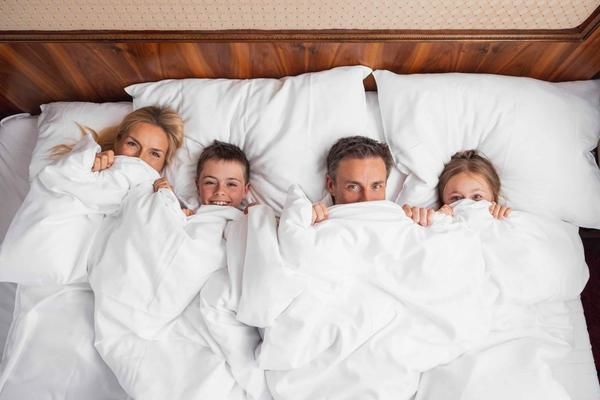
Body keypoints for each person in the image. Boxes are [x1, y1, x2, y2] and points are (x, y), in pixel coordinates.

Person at [52, 105, 185, 173]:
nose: (139, 159)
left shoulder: (167, 202)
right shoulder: (85, 165)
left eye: (155, 154)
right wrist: (85, 167)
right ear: (118, 141)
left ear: (164, 163)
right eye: (132, 144)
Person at [403, 150, 511, 226]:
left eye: (477, 197)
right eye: (457, 198)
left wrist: (506, 217)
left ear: (494, 198)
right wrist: (408, 218)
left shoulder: (508, 221)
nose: (467, 204)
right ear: (443, 202)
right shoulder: (432, 222)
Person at [153, 140, 251, 214]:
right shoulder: (188, 215)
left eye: (231, 184)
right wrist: (168, 198)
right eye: (210, 182)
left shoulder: (247, 218)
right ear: (198, 186)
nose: (220, 191)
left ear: (245, 190)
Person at [312, 135, 393, 224]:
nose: (366, 200)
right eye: (353, 187)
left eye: (376, 187)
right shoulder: (312, 223)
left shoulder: (400, 222)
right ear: (331, 185)